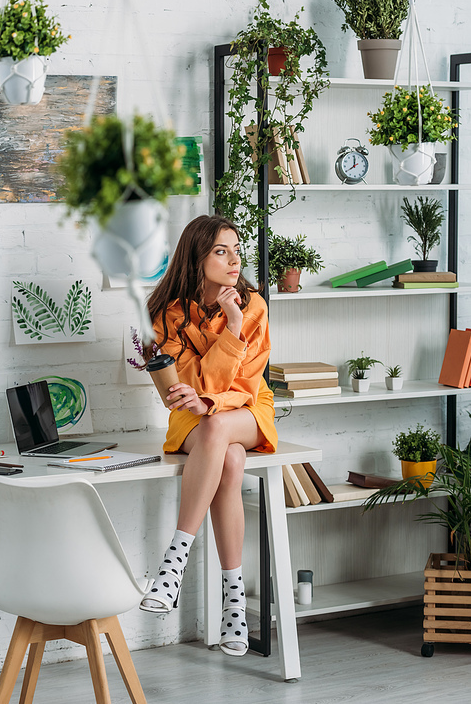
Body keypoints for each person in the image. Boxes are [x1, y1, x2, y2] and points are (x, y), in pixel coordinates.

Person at [139, 214, 277, 657]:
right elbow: (184, 384)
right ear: (196, 256)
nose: (234, 260)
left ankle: (173, 563)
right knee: (230, 461)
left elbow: (243, 386)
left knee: (218, 424)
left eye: (237, 250)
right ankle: (234, 600)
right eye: (221, 250)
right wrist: (203, 399)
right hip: (189, 418)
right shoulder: (165, 313)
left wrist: (234, 326)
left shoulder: (252, 306)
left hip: (248, 409)